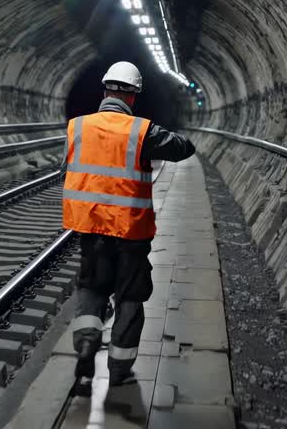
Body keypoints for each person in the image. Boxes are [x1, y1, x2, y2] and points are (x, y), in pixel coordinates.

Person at [61, 60, 195, 391]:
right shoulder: (141, 131)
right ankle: (119, 368)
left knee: (92, 289)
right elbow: (183, 148)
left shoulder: (78, 126)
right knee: (130, 297)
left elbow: (68, 168)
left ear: (104, 90)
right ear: (133, 95)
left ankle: (86, 345)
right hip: (130, 232)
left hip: (91, 229)